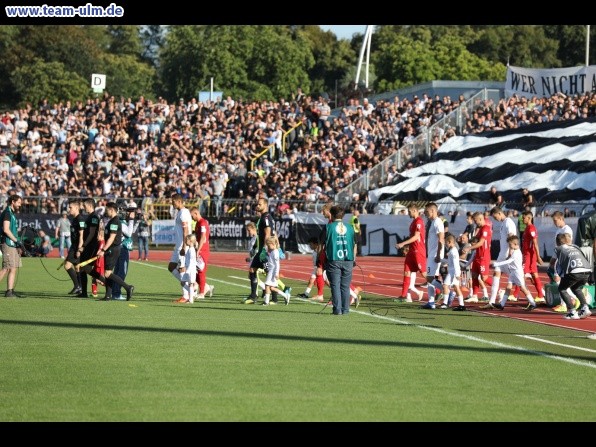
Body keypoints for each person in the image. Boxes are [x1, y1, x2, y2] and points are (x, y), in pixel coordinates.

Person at [95, 202, 135, 301]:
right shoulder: (113, 220)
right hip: (111, 249)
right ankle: (108, 295)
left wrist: (103, 250)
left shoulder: (115, 221)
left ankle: (127, 287)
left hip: (113, 249)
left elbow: (112, 238)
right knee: (107, 273)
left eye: (107, 209)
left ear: (112, 209)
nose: (106, 211)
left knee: (108, 273)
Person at [490, 235, 539, 311]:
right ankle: (502, 305)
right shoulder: (514, 251)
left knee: (523, 288)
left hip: (517, 273)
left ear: (515, 244)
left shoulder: (517, 253)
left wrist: (497, 264)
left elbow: (509, 261)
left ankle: (533, 303)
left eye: (510, 245)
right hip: (513, 272)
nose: (509, 246)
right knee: (508, 287)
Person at [551, 233, 593, 320]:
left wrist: (557, 274)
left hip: (575, 272)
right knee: (576, 287)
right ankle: (585, 308)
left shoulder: (559, 249)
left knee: (562, 289)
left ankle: (572, 311)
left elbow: (556, 263)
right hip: (587, 270)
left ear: (557, 242)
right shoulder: (575, 247)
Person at [483, 207, 517, 309]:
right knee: (496, 274)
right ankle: (492, 301)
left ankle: (535, 297)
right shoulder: (503, 223)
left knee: (517, 278)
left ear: (499, 213)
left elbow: (512, 237)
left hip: (507, 254)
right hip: (502, 254)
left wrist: (511, 253)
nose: (495, 219)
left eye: (495, 216)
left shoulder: (508, 222)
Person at [244, 197, 276, 304]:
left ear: (265, 205)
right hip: (262, 250)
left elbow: (268, 233)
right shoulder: (262, 217)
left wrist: (265, 250)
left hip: (265, 250)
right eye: (257, 204)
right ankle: (253, 296)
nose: (257, 206)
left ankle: (275, 298)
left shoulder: (266, 217)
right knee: (252, 270)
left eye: (260, 204)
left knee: (269, 273)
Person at [324, 205, 355, 315]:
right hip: (348, 259)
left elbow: (322, 244)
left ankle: (337, 310)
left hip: (334, 259)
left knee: (335, 285)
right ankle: (345, 310)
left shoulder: (329, 227)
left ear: (331, 215)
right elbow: (354, 244)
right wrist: (353, 258)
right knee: (345, 286)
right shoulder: (350, 227)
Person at [395, 204, 426, 303]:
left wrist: (403, 243)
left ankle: (439, 290)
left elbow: (417, 237)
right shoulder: (413, 222)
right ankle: (403, 296)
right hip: (412, 251)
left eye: (409, 211)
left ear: (414, 211)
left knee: (424, 273)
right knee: (407, 271)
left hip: (418, 251)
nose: (408, 213)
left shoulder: (419, 222)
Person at [75, 198, 101, 298]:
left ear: (90, 205)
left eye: (84, 205)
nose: (83, 207)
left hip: (91, 247)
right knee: (82, 268)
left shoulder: (94, 217)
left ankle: (106, 282)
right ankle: (84, 293)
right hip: (88, 247)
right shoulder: (90, 216)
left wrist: (83, 246)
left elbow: (91, 233)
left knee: (86, 268)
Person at [464, 212, 493, 303]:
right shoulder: (480, 229)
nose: (475, 223)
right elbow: (475, 240)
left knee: (484, 278)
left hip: (483, 256)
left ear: (480, 219)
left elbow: (480, 242)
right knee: (474, 276)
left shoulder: (485, 228)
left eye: (476, 221)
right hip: (477, 255)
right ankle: (475, 296)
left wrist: (469, 248)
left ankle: (499, 290)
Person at [168, 194, 192, 303]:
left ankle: (186, 295)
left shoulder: (184, 213)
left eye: (173, 201)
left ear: (179, 201)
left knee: (182, 269)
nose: (172, 203)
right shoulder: (180, 212)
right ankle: (190, 289)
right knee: (171, 267)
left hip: (182, 246)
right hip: (178, 246)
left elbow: (186, 231)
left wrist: (184, 246)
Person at [421, 202, 445, 309]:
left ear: (432, 211)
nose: (425, 214)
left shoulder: (437, 222)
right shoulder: (433, 222)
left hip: (435, 254)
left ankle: (446, 291)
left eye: (426, 212)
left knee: (429, 278)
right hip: (432, 253)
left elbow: (441, 239)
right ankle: (431, 302)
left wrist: (439, 254)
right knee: (431, 278)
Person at [550, 211, 575, 312]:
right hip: (559, 257)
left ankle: (569, 300)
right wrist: (553, 258)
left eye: (555, 220)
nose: (554, 223)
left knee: (558, 280)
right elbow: (557, 246)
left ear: (561, 219)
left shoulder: (567, 229)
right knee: (559, 280)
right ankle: (566, 302)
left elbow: (568, 244)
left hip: (564, 258)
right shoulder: (558, 230)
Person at [111, 205, 137, 300]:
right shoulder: (121, 222)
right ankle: (116, 293)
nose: (127, 213)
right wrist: (131, 219)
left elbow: (131, 231)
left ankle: (114, 292)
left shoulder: (120, 222)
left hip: (119, 248)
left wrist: (135, 221)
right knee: (122, 271)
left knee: (117, 271)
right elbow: (129, 233)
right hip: (122, 249)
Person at [0, 194, 23, 297]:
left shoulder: (11, 213)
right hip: (8, 243)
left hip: (12, 244)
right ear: (13, 202)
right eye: (18, 202)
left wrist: (17, 244)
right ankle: (9, 291)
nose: (20, 205)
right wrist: (16, 241)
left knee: (13, 268)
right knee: (6, 268)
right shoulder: (7, 213)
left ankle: (10, 291)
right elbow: (6, 229)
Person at [521, 210, 546, 304]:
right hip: (527, 255)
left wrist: (538, 257)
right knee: (534, 275)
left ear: (529, 218)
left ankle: (514, 295)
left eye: (524, 218)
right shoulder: (527, 228)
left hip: (529, 256)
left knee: (521, 275)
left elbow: (535, 243)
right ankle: (540, 295)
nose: (522, 219)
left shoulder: (531, 228)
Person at [190, 205, 214, 300]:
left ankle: (202, 293)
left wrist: (198, 250)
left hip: (203, 250)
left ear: (196, 213)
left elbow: (203, 237)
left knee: (200, 271)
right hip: (199, 249)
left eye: (192, 216)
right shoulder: (197, 224)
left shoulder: (203, 223)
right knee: (194, 271)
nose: (192, 218)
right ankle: (206, 287)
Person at [63, 201, 85, 295]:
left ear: (76, 208)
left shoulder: (80, 219)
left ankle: (77, 286)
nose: (69, 209)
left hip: (77, 246)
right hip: (74, 246)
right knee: (77, 267)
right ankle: (80, 288)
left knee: (67, 265)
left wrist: (79, 249)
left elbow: (81, 235)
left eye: (70, 207)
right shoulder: (74, 219)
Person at [261, 235, 291, 306]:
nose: (268, 247)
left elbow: (277, 264)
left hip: (273, 271)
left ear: (273, 244)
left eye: (269, 245)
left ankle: (266, 302)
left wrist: (276, 273)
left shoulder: (275, 252)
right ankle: (285, 295)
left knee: (267, 285)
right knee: (271, 287)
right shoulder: (272, 252)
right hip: (271, 270)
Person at [439, 234, 466, 311]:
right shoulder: (452, 251)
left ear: (450, 242)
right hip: (451, 272)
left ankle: (459, 304)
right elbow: (449, 261)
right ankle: (459, 305)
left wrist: (457, 274)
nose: (446, 245)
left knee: (449, 286)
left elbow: (455, 263)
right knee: (449, 286)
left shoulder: (453, 251)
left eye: (446, 243)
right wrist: (441, 260)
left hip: (453, 272)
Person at [297, 236, 326, 302]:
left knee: (328, 283)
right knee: (311, 281)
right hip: (316, 268)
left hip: (321, 268)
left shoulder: (321, 251)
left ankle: (339, 293)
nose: (310, 246)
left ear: (316, 244)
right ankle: (306, 294)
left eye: (311, 244)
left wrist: (322, 269)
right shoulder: (315, 252)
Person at [177, 233, 198, 304]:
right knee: (183, 283)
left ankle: (191, 299)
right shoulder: (189, 249)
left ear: (190, 241)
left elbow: (192, 261)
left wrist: (188, 270)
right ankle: (192, 291)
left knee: (190, 284)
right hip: (189, 269)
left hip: (190, 270)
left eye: (186, 240)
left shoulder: (191, 250)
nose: (185, 241)